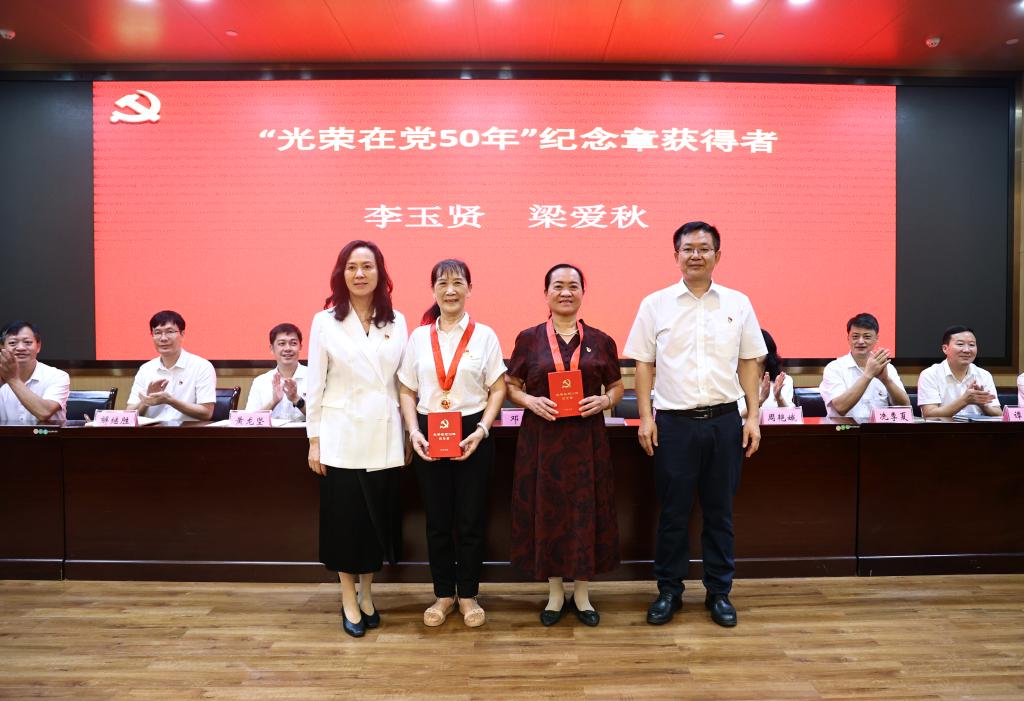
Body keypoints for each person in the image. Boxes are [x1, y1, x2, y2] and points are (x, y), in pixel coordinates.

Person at [623, 220, 766, 628]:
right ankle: (669, 591)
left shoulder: (738, 303)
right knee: (673, 513)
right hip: (674, 425)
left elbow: (749, 362)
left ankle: (719, 592)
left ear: (718, 256)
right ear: (676, 256)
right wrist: (646, 418)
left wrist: (753, 417)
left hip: (724, 422)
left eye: (704, 248)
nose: (696, 255)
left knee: (720, 513)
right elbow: (643, 364)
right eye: (688, 249)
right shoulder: (656, 304)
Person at [506, 264, 624, 627]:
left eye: (573, 286)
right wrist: (530, 401)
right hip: (542, 440)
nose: (566, 292)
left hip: (587, 442)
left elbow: (617, 386)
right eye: (558, 286)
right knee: (548, 511)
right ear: (546, 293)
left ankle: (583, 594)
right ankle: (555, 593)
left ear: (583, 293)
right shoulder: (528, 339)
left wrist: (606, 401)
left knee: (585, 511)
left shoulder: (601, 340)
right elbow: (511, 386)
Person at [305, 240, 408, 639]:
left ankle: (367, 593)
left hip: (384, 433)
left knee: (375, 521)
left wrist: (409, 432)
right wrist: (314, 440)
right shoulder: (325, 321)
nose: (360, 273)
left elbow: (403, 383)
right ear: (341, 274)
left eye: (367, 266)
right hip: (340, 434)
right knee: (345, 523)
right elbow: (315, 384)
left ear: (380, 273)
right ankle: (348, 597)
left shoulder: (396, 321)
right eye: (352, 267)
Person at [398, 259, 506, 629]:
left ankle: (469, 594)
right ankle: (444, 594)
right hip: (430, 431)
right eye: (442, 283)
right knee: (438, 520)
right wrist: (414, 431)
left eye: (458, 282)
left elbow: (498, 388)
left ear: (469, 289)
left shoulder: (485, 336)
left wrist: (484, 429)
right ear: (433, 290)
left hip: (472, 429)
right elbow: (407, 389)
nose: (450, 290)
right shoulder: (418, 337)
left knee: (471, 519)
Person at [126, 311, 216, 422]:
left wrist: (170, 401)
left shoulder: (202, 366)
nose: (163, 338)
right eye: (157, 332)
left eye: (169, 332)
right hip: (151, 431)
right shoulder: (145, 369)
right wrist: (146, 400)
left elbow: (206, 413)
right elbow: (129, 413)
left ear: (182, 334)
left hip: (189, 431)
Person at [818, 313, 910, 419]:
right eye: (855, 336)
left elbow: (905, 407)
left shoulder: (887, 367)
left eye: (867, 337)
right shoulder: (834, 368)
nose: (861, 341)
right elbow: (841, 407)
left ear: (876, 339)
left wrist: (886, 380)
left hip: (879, 428)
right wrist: (868, 374)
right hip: (843, 428)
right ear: (848, 338)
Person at [917, 325, 1001, 418]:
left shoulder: (984, 375)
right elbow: (929, 414)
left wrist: (983, 405)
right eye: (960, 344)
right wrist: (964, 401)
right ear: (945, 349)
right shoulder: (930, 374)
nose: (967, 350)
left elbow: (999, 414)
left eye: (971, 345)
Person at [0, 321, 70, 424]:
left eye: (28, 342)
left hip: (46, 435)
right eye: (12, 343)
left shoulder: (57, 376)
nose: (20, 348)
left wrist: (12, 379)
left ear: (38, 346)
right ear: (2, 347)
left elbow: (44, 412)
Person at [245, 322, 307, 422]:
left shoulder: (314, 377)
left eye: (293, 343)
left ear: (300, 347)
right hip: (269, 432)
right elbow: (249, 420)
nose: (287, 348)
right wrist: (273, 402)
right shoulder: (260, 382)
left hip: (305, 432)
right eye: (282, 343)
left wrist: (296, 399)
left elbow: (323, 418)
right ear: (272, 349)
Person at [736, 329, 792, 417]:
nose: (754, 352)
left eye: (757, 347)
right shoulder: (739, 379)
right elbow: (741, 414)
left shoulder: (784, 380)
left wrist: (779, 398)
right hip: (748, 425)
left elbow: (789, 415)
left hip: (775, 426)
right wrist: (761, 399)